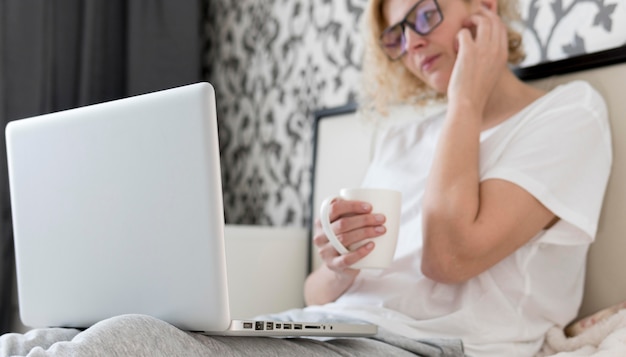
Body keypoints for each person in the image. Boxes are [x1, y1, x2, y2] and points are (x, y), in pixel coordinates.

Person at [0, 0, 611, 356]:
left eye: (426, 14)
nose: (413, 43)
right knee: (40, 337)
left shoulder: (567, 113)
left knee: (125, 341)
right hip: (336, 328)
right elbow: (318, 292)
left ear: (485, 8)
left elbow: (448, 258)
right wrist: (340, 264)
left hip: (432, 347)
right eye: (396, 34)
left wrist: (465, 102)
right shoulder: (403, 135)